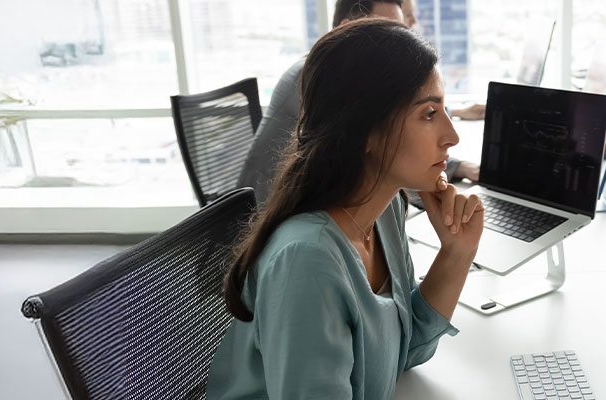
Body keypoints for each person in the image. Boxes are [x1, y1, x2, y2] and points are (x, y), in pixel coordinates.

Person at [207, 18, 482, 400]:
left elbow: (406, 349)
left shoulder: (383, 211)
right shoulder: (307, 261)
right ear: (365, 131)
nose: (452, 135)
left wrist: (457, 251)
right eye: (429, 114)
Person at [239, 0, 481, 203]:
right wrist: (451, 169)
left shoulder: (341, 75)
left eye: (400, 35)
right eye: (385, 36)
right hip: (265, 215)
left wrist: (454, 111)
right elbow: (380, 147)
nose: (398, 50)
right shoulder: (315, 77)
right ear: (346, 31)